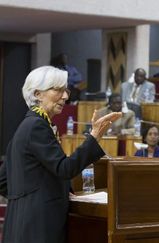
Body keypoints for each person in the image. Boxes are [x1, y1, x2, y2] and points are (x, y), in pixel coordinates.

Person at [0, 66, 121, 243]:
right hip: (38, 227)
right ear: (37, 94)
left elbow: (3, 180)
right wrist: (94, 137)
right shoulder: (37, 126)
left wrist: (30, 198)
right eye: (57, 90)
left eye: (65, 90)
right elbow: (64, 169)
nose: (65, 96)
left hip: (22, 224)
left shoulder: (27, 124)